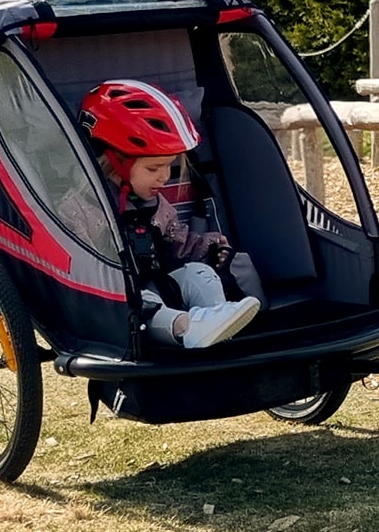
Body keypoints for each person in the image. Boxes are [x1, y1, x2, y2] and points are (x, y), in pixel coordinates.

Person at [77, 80, 260, 350]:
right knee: (143, 297)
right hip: (119, 303)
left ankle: (219, 321)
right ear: (116, 160)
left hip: (159, 284)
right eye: (154, 168)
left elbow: (178, 244)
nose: (164, 177)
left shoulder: (155, 205)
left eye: (169, 166)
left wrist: (210, 247)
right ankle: (188, 327)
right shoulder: (82, 207)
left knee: (199, 273)